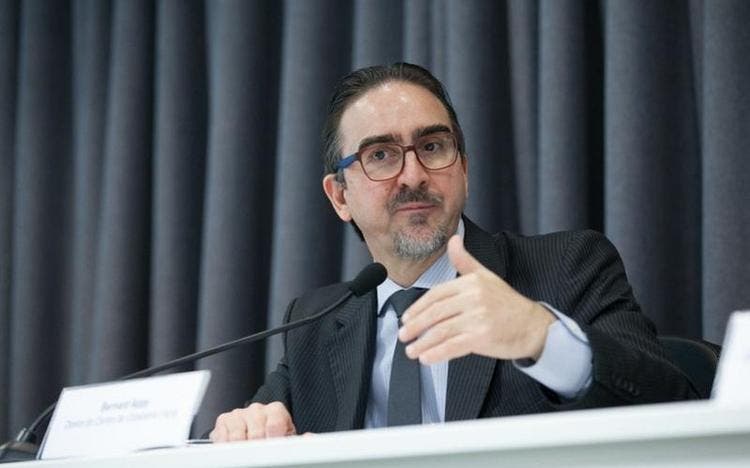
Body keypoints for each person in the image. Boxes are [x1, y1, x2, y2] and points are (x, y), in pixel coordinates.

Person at [209, 63, 696, 442]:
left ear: (463, 168)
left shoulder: (567, 267)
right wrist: (248, 427)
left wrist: (540, 336)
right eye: (380, 155)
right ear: (340, 196)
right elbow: (259, 423)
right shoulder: (315, 323)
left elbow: (674, 406)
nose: (414, 175)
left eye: (433, 146)